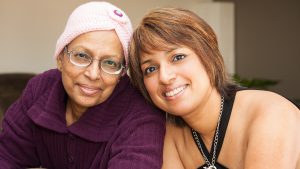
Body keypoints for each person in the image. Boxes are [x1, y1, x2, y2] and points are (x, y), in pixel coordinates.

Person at [128, 7, 300, 169]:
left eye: (178, 57)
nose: (165, 77)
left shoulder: (269, 112)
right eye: (150, 69)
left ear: (208, 55)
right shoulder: (171, 135)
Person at [0, 2, 165, 169]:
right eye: (81, 56)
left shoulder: (141, 117)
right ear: (60, 58)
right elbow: (6, 155)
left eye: (110, 63)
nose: (93, 74)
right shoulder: (41, 89)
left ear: (121, 74)